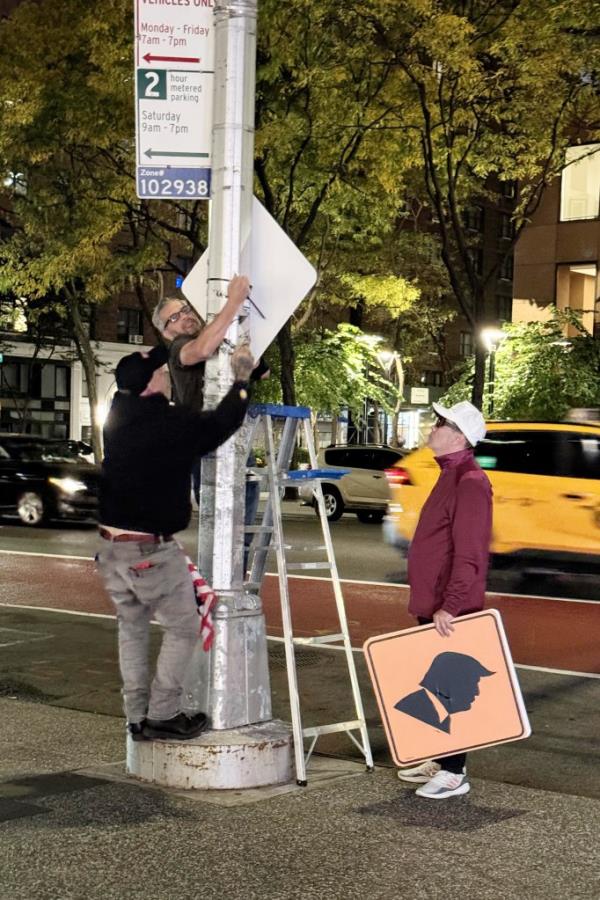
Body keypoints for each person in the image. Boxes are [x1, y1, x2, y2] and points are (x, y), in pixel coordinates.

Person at [96, 342, 255, 742]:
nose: (168, 375)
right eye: (162, 373)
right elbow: (219, 425)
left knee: (131, 629)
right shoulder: (164, 424)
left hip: (112, 548)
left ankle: (136, 716)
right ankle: (163, 713)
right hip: (150, 549)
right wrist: (241, 382)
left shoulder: (119, 413)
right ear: (150, 385)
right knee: (183, 628)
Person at [396, 400, 492, 800]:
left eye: (440, 423)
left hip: (451, 608)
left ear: (457, 436)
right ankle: (443, 758)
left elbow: (470, 552)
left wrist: (450, 605)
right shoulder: (450, 475)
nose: (432, 428)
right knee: (437, 683)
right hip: (435, 601)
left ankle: (454, 772)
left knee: (452, 686)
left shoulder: (470, 481)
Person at [153, 277, 269, 569]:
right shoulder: (179, 348)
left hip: (239, 446)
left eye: (185, 310)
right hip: (207, 450)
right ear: (167, 332)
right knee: (218, 534)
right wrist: (233, 302)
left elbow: (263, 372)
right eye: (174, 318)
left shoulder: (217, 336)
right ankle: (213, 603)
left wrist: (249, 356)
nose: (185, 318)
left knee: (239, 538)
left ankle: (232, 596)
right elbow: (200, 351)